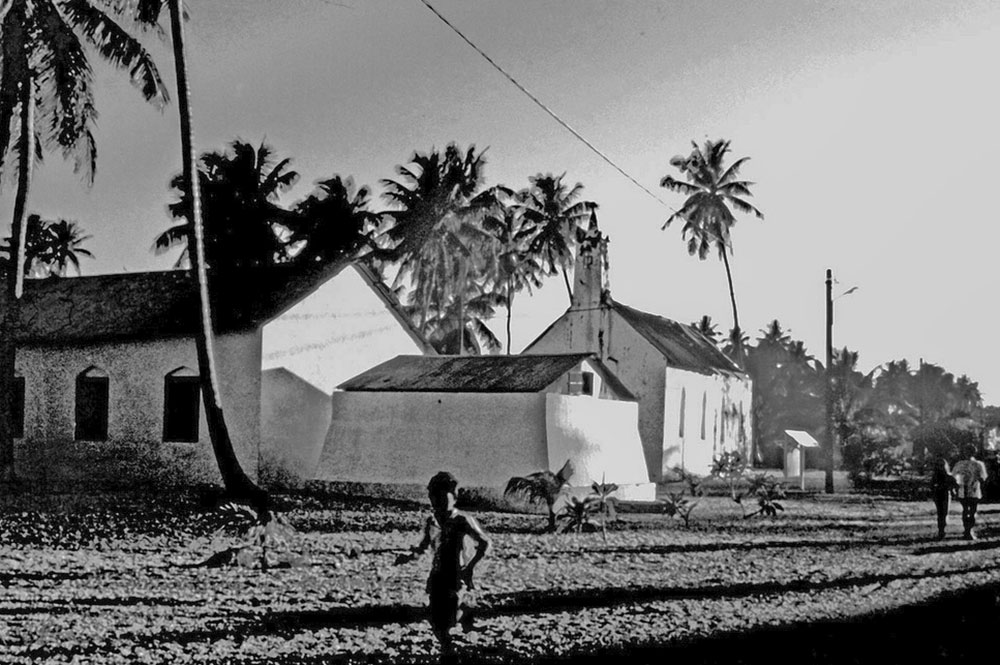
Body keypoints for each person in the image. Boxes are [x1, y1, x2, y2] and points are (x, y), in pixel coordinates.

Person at [394, 471, 491, 657]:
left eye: (442, 496)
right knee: (437, 624)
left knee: (450, 621)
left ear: (453, 497)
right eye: (434, 497)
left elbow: (485, 543)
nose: (437, 502)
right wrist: (408, 556)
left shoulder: (462, 520)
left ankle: (463, 625)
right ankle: (451, 645)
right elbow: (423, 547)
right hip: (437, 577)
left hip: (456, 577)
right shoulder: (431, 521)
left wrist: (469, 567)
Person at [951, 445, 988, 540]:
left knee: (966, 510)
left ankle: (967, 530)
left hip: (965, 489)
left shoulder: (961, 464)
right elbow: (983, 478)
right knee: (971, 511)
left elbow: (954, 476)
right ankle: (969, 530)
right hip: (972, 490)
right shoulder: (978, 464)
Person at [929, 455, 956, 539]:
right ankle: (941, 530)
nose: (940, 467)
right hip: (938, 494)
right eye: (938, 465)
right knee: (940, 513)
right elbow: (931, 485)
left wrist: (952, 490)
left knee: (944, 513)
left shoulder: (949, 476)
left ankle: (942, 529)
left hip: (945, 494)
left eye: (941, 465)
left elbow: (954, 485)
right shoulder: (936, 476)